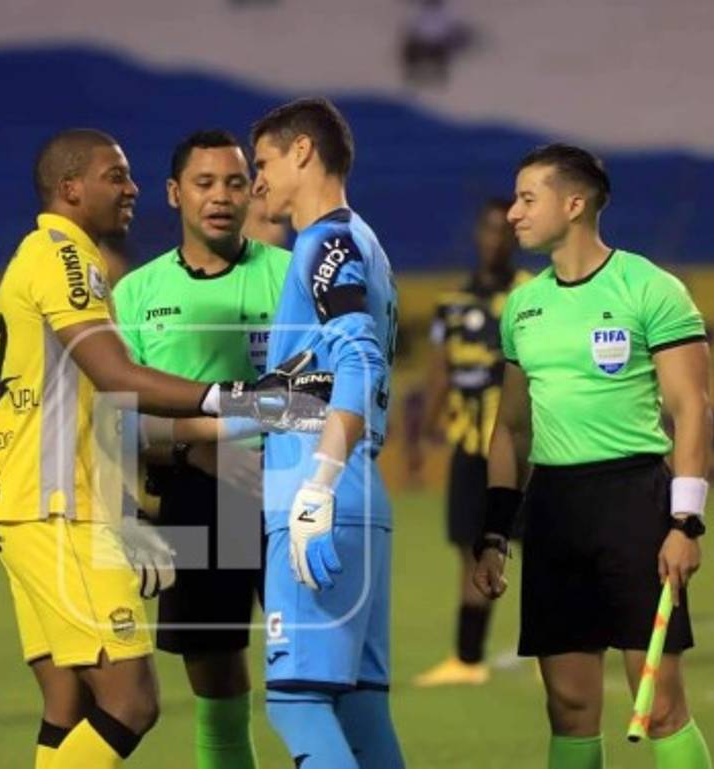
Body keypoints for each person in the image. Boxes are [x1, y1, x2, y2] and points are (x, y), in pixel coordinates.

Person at [0, 128, 330, 769]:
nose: (130, 188)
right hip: (66, 503)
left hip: (58, 500)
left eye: (235, 181)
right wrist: (238, 402)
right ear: (71, 189)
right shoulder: (70, 263)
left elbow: (96, 407)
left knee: (69, 703)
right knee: (133, 701)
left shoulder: (286, 274)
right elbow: (118, 382)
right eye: (115, 176)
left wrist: (127, 513)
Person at [473, 144, 714, 769]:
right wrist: (495, 533)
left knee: (660, 706)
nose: (514, 213)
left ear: (574, 204)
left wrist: (686, 522)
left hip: (634, 504)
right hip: (554, 511)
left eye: (528, 199)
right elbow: (512, 430)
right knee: (569, 707)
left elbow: (692, 409)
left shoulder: (650, 288)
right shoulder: (523, 306)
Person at [111, 128, 291, 769]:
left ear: (253, 192)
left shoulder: (291, 279)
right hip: (194, 498)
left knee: (310, 677)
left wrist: (193, 431)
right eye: (204, 183)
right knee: (217, 688)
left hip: (286, 490)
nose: (220, 197)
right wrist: (205, 446)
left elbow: (314, 400)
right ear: (173, 193)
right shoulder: (136, 295)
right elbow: (121, 422)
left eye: (235, 183)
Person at [250, 97, 405, 769]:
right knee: (360, 708)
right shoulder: (364, 243)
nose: (256, 180)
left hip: (318, 495)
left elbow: (359, 360)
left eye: (263, 162)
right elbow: (306, 391)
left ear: (302, 151)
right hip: (357, 493)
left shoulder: (326, 242)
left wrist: (317, 486)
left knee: (296, 702)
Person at [413, 198, 529, 687]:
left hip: (522, 443)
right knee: (470, 548)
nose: (496, 238)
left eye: (504, 230)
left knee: (543, 546)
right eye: (489, 229)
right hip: (468, 444)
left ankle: (556, 648)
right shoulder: (453, 303)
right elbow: (439, 370)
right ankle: (466, 659)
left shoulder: (531, 294)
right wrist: (423, 430)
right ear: (478, 235)